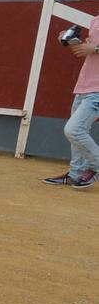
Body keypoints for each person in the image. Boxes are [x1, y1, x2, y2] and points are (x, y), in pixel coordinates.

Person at [46, 18, 99, 187]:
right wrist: (72, 42)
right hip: (84, 84)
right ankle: (76, 173)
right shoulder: (96, 21)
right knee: (78, 132)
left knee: (74, 130)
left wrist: (95, 48)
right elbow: (89, 51)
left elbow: (95, 49)